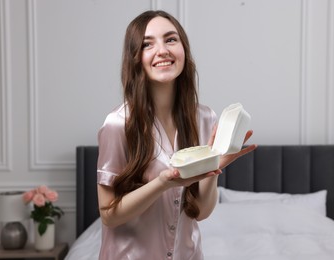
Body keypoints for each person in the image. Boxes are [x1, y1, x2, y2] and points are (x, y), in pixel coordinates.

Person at [96, 10, 257, 260]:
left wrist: (214, 168)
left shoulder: (205, 119)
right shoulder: (118, 124)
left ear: (184, 49)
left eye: (171, 39)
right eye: (148, 44)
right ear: (135, 57)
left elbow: (201, 213)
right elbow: (108, 214)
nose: (162, 50)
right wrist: (163, 183)